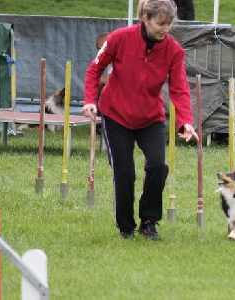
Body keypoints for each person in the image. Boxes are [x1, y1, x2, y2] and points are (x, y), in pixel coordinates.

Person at [82, 0, 199, 241]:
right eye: (160, 24)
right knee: (125, 173)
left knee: (158, 165)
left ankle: (149, 221)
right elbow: (95, 69)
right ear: (145, 18)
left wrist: (186, 121)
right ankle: (126, 227)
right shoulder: (119, 38)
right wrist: (89, 100)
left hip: (150, 118)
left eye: (169, 24)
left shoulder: (174, 50)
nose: (165, 30)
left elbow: (179, 89)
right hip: (116, 115)